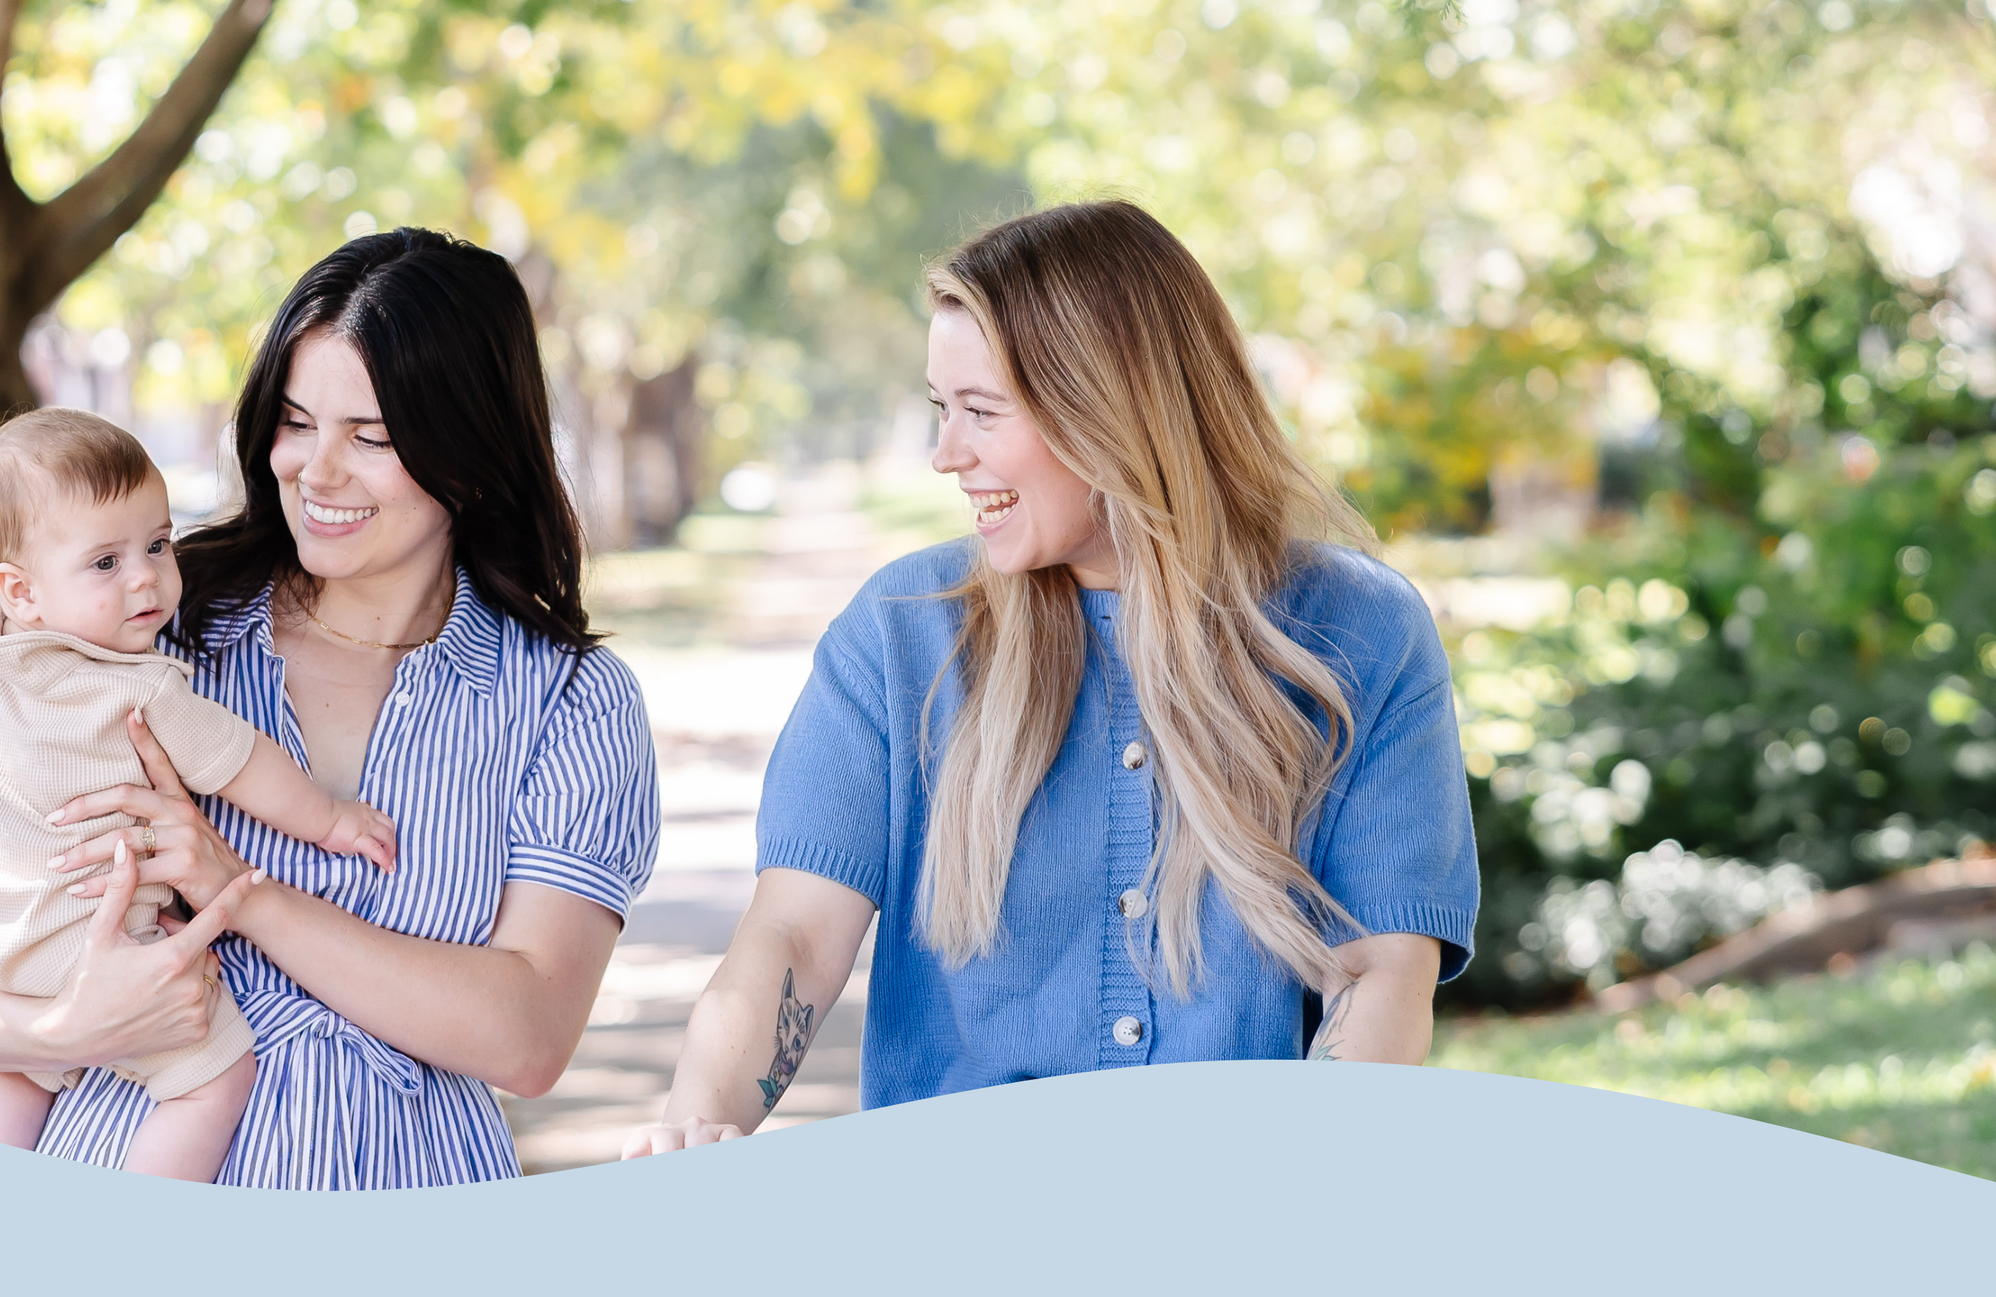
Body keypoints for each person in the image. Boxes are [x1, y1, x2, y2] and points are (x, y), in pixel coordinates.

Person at [625, 201, 1478, 1157]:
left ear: (1109, 410)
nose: (948, 454)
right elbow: (793, 937)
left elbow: (1378, 972)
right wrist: (698, 1128)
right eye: (942, 410)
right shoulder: (898, 638)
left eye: (981, 412)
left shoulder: (1360, 634)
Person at [0, 230, 659, 1189]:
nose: (317, 470)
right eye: (296, 423)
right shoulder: (144, 623)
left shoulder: (566, 701)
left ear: (470, 451)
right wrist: (63, 1025)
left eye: (370, 438)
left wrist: (238, 887)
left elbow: (529, 1038)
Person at [0, 407, 397, 1182]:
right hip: (104, 952)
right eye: (105, 564)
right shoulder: (141, 687)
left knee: (11, 1073)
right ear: (22, 592)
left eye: (158, 545)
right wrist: (330, 818)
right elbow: (243, 765)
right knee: (216, 1078)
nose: (146, 578)